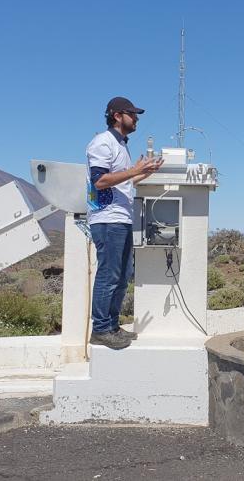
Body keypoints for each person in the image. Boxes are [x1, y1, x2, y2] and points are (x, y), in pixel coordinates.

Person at [86, 97, 163, 349]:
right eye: (133, 114)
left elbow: (123, 183)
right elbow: (99, 181)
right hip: (107, 220)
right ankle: (100, 329)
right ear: (118, 115)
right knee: (109, 274)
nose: (137, 118)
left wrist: (145, 172)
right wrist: (133, 171)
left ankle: (112, 325)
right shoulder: (102, 143)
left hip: (120, 218)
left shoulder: (120, 145)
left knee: (122, 275)